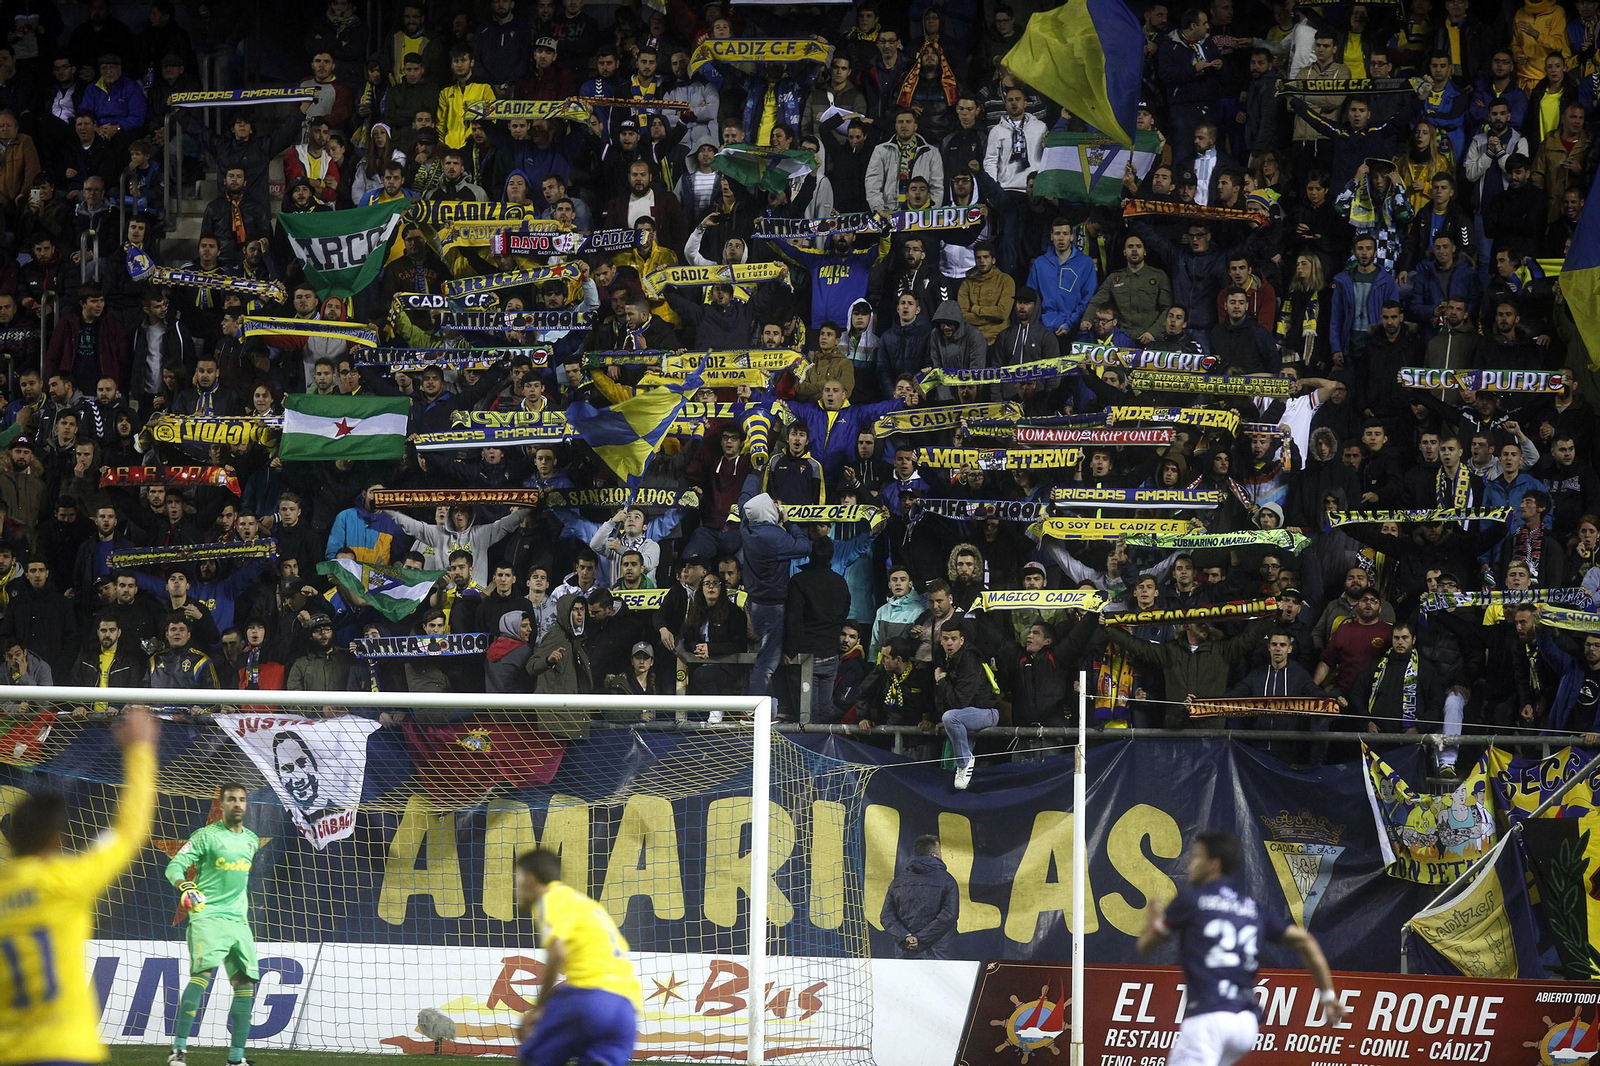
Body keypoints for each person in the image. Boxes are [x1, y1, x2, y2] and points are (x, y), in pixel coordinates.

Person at [1139, 831, 1343, 1066]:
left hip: (1208, 1019)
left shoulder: (1190, 900)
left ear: (1213, 864)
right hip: (1245, 1025)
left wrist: (1153, 919)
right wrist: (1327, 996)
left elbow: (1146, 946)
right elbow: (1306, 941)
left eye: (1196, 857)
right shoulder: (1251, 907)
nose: (1189, 863)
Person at [512, 849, 640, 1066]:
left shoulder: (552, 897)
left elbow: (557, 952)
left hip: (589, 998)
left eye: (517, 880)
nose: (516, 889)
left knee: (528, 1061)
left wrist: (538, 1009)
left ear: (531, 878)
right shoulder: (586, 905)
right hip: (626, 1010)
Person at [165, 781, 260, 1066]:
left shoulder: (252, 840)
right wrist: (185, 886)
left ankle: (236, 1059)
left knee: (245, 984)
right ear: (221, 804)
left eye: (242, 799)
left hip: (238, 921)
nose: (237, 804)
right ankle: (178, 1051)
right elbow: (174, 866)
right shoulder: (205, 836)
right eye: (231, 799)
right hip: (208, 916)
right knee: (203, 975)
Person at [879, 833, 958, 959]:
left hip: (906, 951)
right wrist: (921, 939)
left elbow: (886, 916)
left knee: (906, 979)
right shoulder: (947, 880)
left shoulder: (898, 881)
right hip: (938, 952)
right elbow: (949, 915)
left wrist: (906, 937)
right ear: (935, 855)